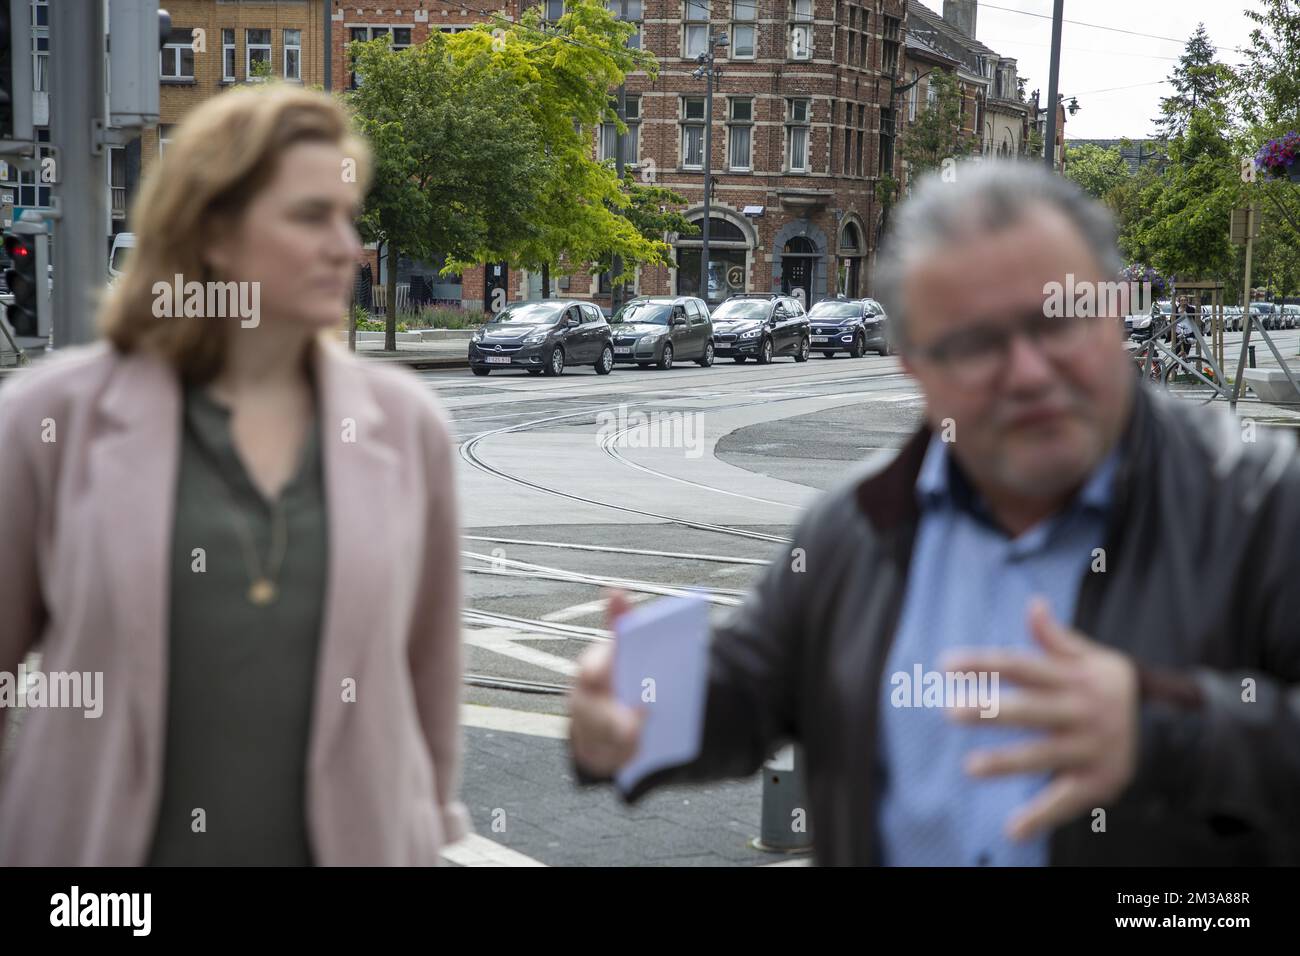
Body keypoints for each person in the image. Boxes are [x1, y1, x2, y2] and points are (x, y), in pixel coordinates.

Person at [569, 160, 1300, 866]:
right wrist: (636, 706)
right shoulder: (853, 528)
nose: (1029, 371)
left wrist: (1172, 735)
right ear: (913, 365)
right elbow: (751, 683)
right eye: (976, 342)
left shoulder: (1264, 508)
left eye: (1057, 320)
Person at [0, 86, 469, 865]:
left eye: (348, 218)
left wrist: (426, 829)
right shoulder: (51, 418)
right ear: (212, 229)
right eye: (310, 215)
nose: (347, 247)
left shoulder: (406, 425)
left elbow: (431, 672)